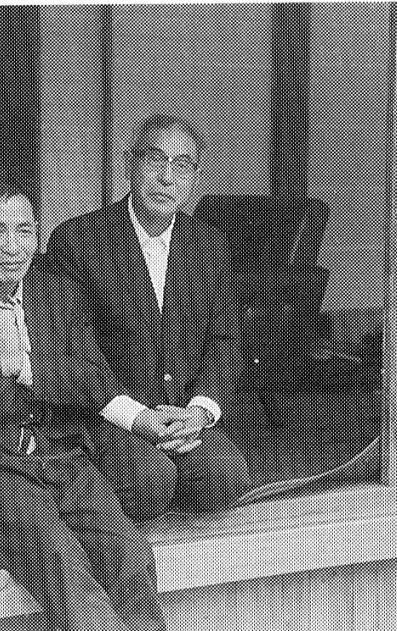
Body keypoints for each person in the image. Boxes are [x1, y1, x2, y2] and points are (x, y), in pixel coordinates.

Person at [0, 163, 176, 631]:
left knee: (128, 551)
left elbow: (88, 376)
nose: (13, 247)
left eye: (25, 231)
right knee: (62, 559)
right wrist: (47, 384)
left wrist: (25, 377)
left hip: (60, 454)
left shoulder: (53, 292)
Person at [46, 114, 252, 521]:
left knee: (224, 478)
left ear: (195, 178)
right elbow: (72, 347)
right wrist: (137, 417)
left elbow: (226, 341)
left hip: (182, 416)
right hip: (110, 415)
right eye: (155, 160)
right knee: (148, 484)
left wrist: (199, 412)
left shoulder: (209, 244)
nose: (166, 177)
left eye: (182, 165)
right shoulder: (78, 240)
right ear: (129, 164)